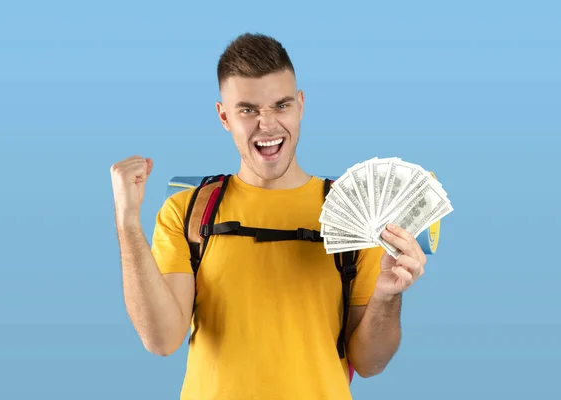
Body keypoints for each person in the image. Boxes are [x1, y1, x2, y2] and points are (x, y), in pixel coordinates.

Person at [110, 32, 427, 400]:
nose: (268, 125)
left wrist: (388, 295)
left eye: (281, 105)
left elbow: (370, 363)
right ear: (224, 116)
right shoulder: (188, 210)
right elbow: (162, 339)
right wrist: (128, 222)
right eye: (248, 110)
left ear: (301, 105)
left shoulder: (352, 212)